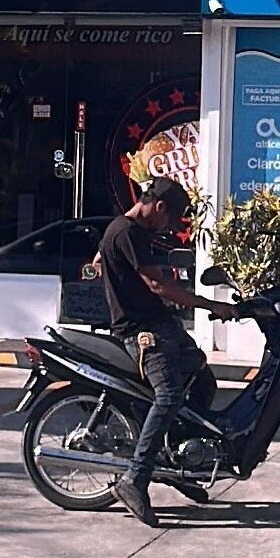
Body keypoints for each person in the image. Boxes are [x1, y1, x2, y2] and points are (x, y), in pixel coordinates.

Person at [94, 176, 237, 527]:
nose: (170, 226)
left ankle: (176, 466)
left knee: (201, 381)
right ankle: (135, 479)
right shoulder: (126, 232)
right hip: (142, 332)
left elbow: (98, 259)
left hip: (161, 324)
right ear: (158, 207)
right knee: (170, 396)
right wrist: (207, 305)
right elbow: (158, 284)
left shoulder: (129, 233)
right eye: (171, 219)